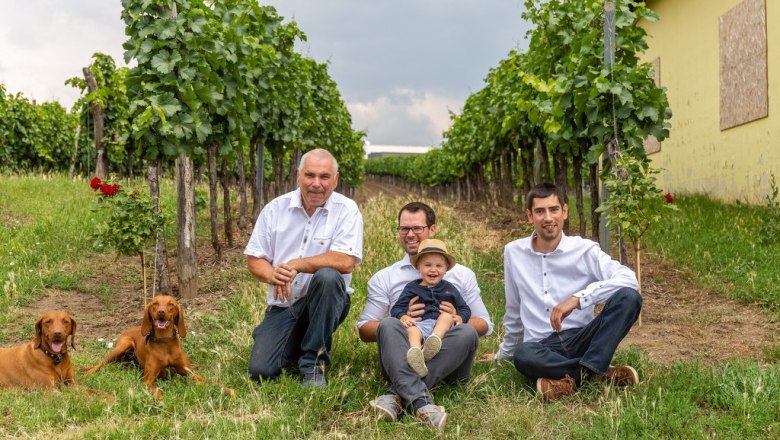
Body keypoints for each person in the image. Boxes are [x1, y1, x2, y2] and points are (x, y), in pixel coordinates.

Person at [482, 182, 642, 401]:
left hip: (582, 338)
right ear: (530, 216)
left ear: (564, 211)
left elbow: (628, 279)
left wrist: (578, 299)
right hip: (541, 346)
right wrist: (504, 354)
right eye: (540, 211)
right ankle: (597, 372)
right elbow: (514, 310)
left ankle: (571, 378)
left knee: (629, 297)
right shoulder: (513, 252)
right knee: (523, 355)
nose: (548, 218)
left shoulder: (585, 249)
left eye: (553, 209)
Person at [358, 202, 493, 432]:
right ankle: (421, 403)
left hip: (447, 359)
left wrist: (454, 318)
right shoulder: (385, 277)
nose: (410, 234)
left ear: (432, 230)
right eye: (404, 229)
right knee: (389, 323)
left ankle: (396, 396)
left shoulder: (460, 276)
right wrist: (401, 318)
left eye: (417, 228)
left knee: (468, 331)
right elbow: (364, 329)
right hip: (403, 352)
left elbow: (484, 323)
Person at [245, 148, 363, 388]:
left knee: (328, 277)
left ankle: (313, 363)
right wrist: (273, 274)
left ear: (336, 179)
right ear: (298, 175)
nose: (316, 184)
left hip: (328, 300)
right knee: (262, 371)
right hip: (284, 305)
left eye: (324, 177)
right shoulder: (275, 209)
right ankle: (287, 337)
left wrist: (297, 265)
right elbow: (254, 259)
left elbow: (346, 261)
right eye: (310, 175)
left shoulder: (347, 210)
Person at [390, 239, 471, 378]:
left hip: (442, 330)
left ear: (446, 269)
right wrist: (404, 316)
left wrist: (459, 317)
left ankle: (434, 342)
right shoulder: (412, 288)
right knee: (411, 329)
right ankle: (416, 354)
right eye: (427, 265)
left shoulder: (449, 289)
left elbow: (464, 308)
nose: (433, 269)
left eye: (439, 266)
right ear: (418, 268)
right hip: (420, 325)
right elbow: (397, 308)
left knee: (446, 316)